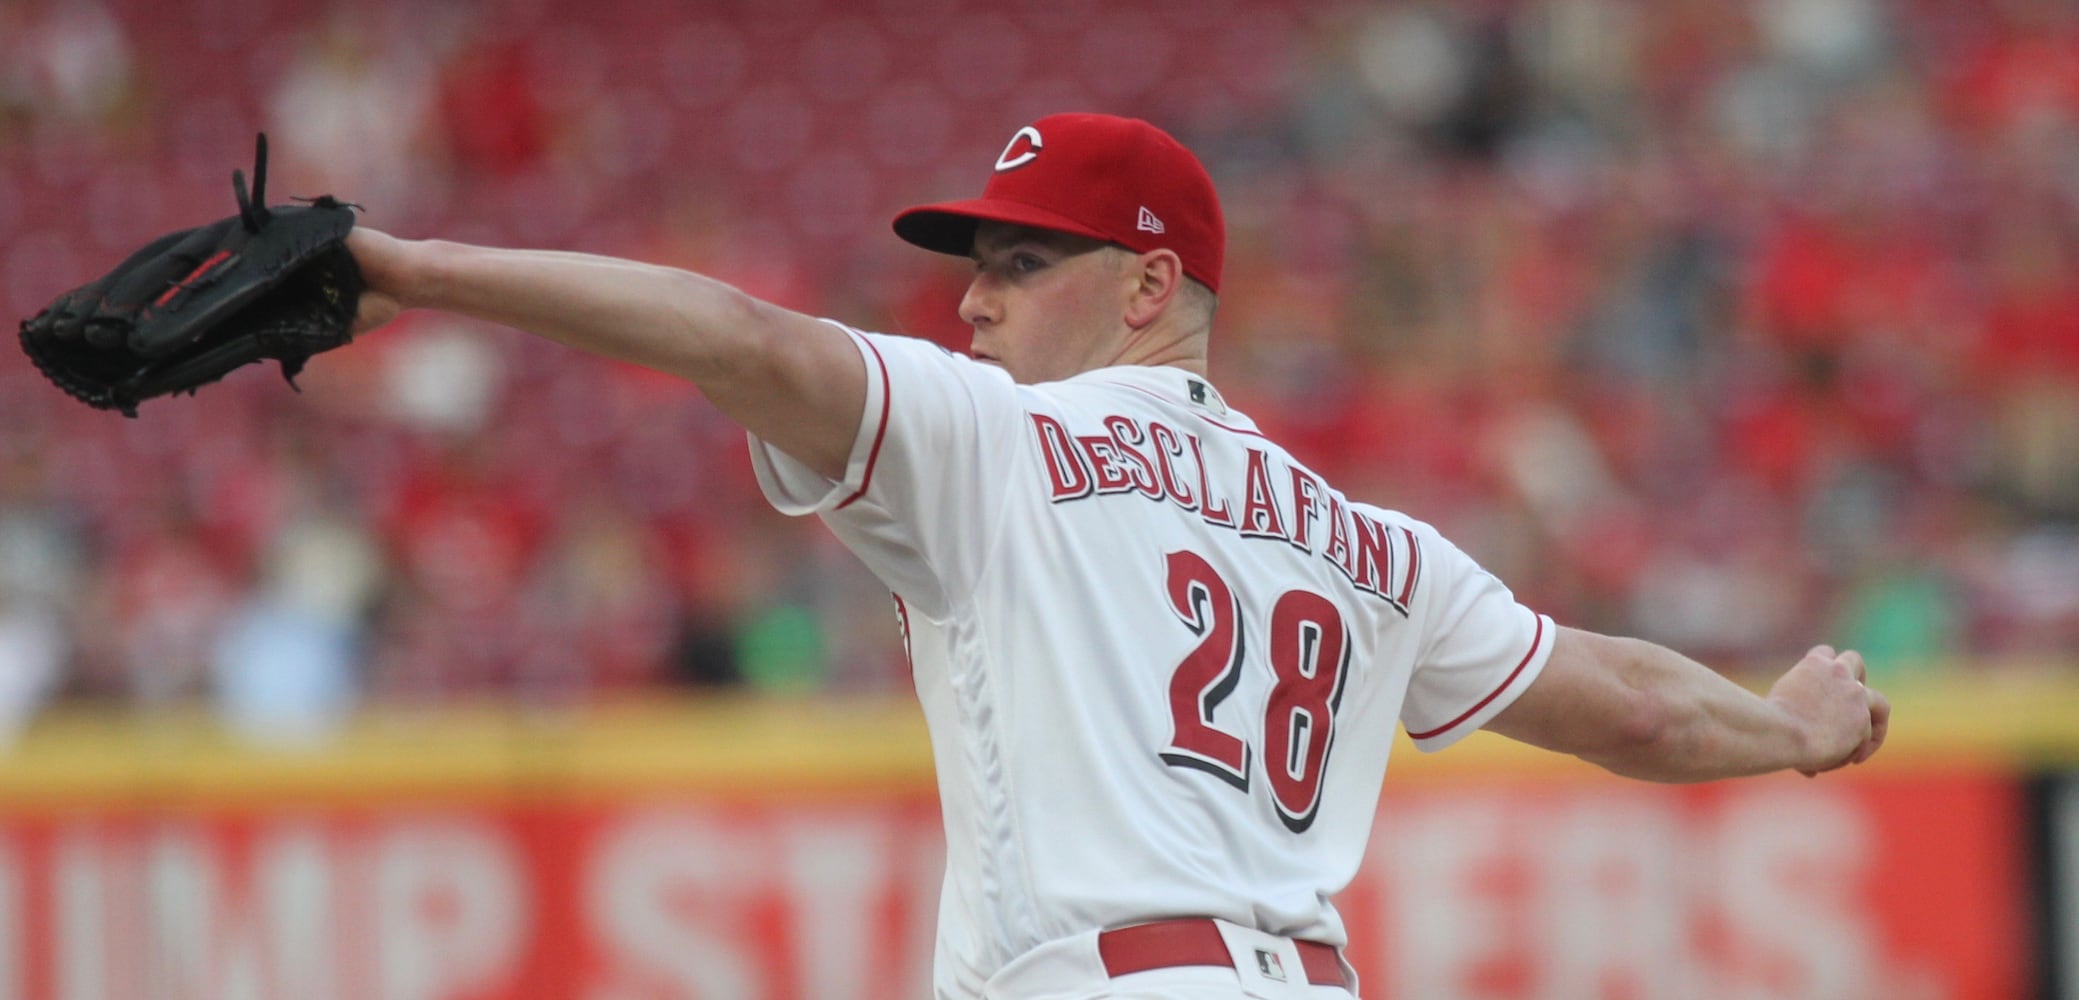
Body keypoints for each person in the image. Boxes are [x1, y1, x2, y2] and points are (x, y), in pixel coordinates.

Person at [344, 112, 1889, 1000]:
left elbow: (738, 336)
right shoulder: (1364, 542)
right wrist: (1792, 731)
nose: (973, 306)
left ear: (1150, 285)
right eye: (976, 271)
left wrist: (416, 271)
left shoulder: (994, 441)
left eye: (1021, 265)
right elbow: (1631, 704)